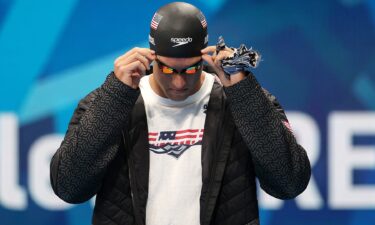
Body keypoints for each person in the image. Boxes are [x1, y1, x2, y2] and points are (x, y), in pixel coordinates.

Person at [50, 2, 311, 225]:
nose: (178, 83)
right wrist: (117, 93)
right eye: (167, 70)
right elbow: (69, 187)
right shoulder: (110, 102)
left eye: (189, 70)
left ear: (203, 58)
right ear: (152, 57)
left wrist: (243, 91)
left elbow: (289, 183)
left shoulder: (240, 101)